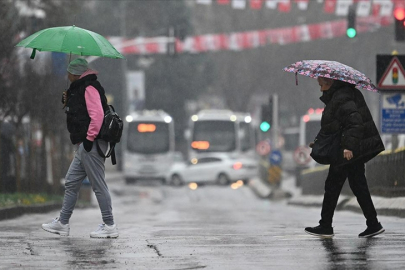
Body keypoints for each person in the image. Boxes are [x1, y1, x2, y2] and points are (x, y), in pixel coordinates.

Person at [42, 58, 119, 238]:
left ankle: (109, 225)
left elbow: (97, 116)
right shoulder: (79, 88)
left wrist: (89, 139)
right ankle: (62, 223)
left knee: (98, 185)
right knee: (71, 182)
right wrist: (67, 101)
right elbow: (80, 112)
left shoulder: (89, 88)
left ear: (75, 73)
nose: (66, 75)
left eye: (68, 72)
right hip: (84, 144)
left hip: (90, 143)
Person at [305, 77, 385, 238]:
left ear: (330, 83)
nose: (320, 89)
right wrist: (319, 143)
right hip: (345, 151)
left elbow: (354, 123)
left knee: (335, 187)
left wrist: (349, 147)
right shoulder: (340, 96)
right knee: (356, 186)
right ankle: (372, 223)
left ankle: (326, 225)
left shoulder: (342, 97)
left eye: (321, 85)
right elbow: (334, 126)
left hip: (346, 153)